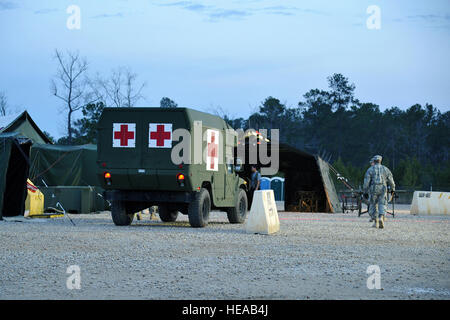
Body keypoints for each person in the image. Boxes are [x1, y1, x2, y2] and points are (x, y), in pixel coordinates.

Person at [363, 155, 395, 229]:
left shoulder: (370, 169)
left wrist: (365, 191)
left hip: (373, 188)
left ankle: (375, 221)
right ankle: (381, 217)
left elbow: (366, 182)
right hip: (383, 188)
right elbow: (391, 180)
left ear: (374, 161)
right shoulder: (386, 169)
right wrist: (393, 189)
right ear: (380, 161)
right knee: (382, 203)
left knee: (373, 204)